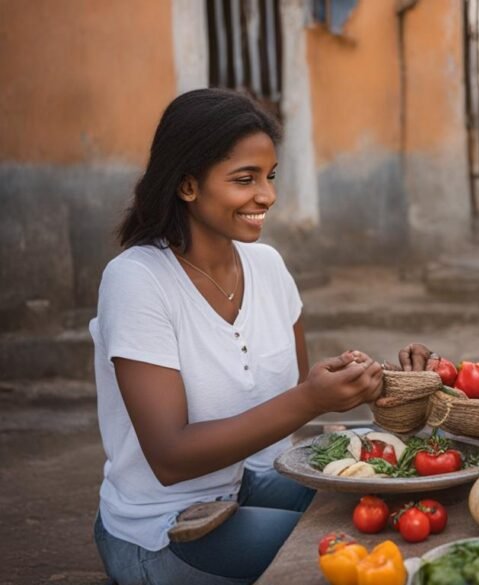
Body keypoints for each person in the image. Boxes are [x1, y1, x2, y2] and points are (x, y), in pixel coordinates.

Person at [90, 88, 385, 585]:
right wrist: (311, 399)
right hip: (163, 528)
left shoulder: (267, 267)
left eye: (269, 177)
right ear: (187, 185)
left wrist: (373, 382)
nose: (266, 196)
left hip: (247, 486)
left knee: (401, 501)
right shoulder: (137, 281)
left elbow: (285, 412)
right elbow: (170, 456)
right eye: (244, 180)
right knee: (353, 554)